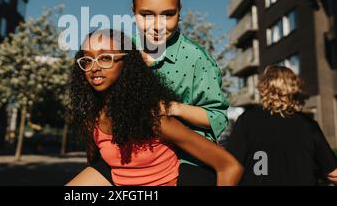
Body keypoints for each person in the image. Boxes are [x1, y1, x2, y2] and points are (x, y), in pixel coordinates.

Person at [90, 0, 230, 185]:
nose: (157, 25)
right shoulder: (125, 49)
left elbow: (218, 116)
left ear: (179, 12)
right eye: (146, 15)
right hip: (132, 150)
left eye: (167, 14)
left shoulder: (196, 59)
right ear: (133, 12)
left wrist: (174, 108)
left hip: (188, 156)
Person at [66, 29, 242, 186]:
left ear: (126, 63)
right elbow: (96, 165)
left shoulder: (151, 117)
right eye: (87, 60)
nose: (94, 67)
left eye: (105, 58)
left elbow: (229, 166)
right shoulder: (93, 117)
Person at [226, 66, 337, 186]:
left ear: (264, 88)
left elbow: (230, 165)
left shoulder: (247, 120)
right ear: (293, 89)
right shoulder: (308, 125)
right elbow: (333, 173)